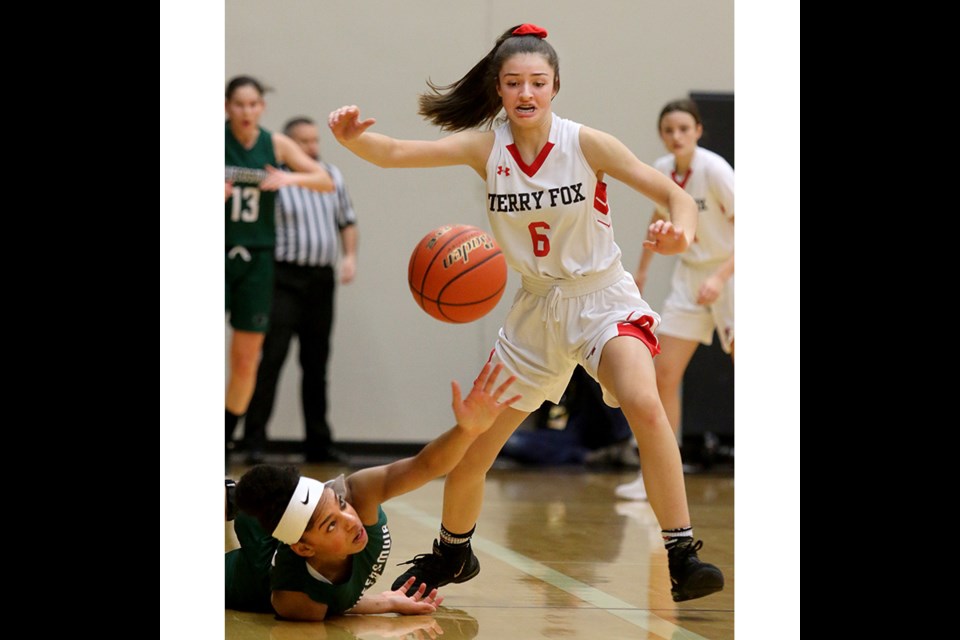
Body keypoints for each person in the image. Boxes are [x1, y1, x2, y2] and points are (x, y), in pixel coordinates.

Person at [327, 24, 724, 602]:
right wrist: (352, 139)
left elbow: (676, 196)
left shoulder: (587, 144)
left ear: (556, 85)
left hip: (602, 296)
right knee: (473, 443)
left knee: (643, 398)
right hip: (536, 309)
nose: (526, 92)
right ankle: (453, 552)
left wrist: (679, 234)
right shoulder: (485, 148)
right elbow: (393, 153)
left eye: (538, 81)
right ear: (499, 88)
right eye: (513, 82)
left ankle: (681, 553)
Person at [224, 363, 520, 620]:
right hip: (256, 567)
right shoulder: (297, 601)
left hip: (281, 534)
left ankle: (235, 498)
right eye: (332, 525)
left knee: (257, 498)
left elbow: (424, 465)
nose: (350, 519)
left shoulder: (358, 497)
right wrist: (387, 601)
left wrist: (467, 431)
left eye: (340, 504)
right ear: (304, 549)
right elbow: (338, 604)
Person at [615, 98, 734, 501]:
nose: (676, 136)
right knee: (663, 374)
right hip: (689, 276)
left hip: (732, 273)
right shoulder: (663, 171)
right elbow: (656, 218)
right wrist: (642, 270)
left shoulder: (715, 171)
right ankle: (659, 476)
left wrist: (720, 277)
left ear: (698, 130)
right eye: (669, 130)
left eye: (684, 128)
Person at [225, 76, 334, 465]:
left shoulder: (275, 144)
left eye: (253, 104)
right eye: (239, 104)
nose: (246, 111)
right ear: (227, 107)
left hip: (258, 258)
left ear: (262, 108)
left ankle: (223, 438)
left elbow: (324, 180)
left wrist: (289, 177)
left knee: (245, 359)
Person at [241, 116, 359, 465]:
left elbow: (347, 220)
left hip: (320, 280)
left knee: (316, 363)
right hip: (283, 278)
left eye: (315, 140)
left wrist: (350, 256)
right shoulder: (275, 177)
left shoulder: (332, 175)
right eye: (304, 141)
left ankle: (318, 443)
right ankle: (253, 441)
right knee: (271, 359)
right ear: (290, 145)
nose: (312, 147)